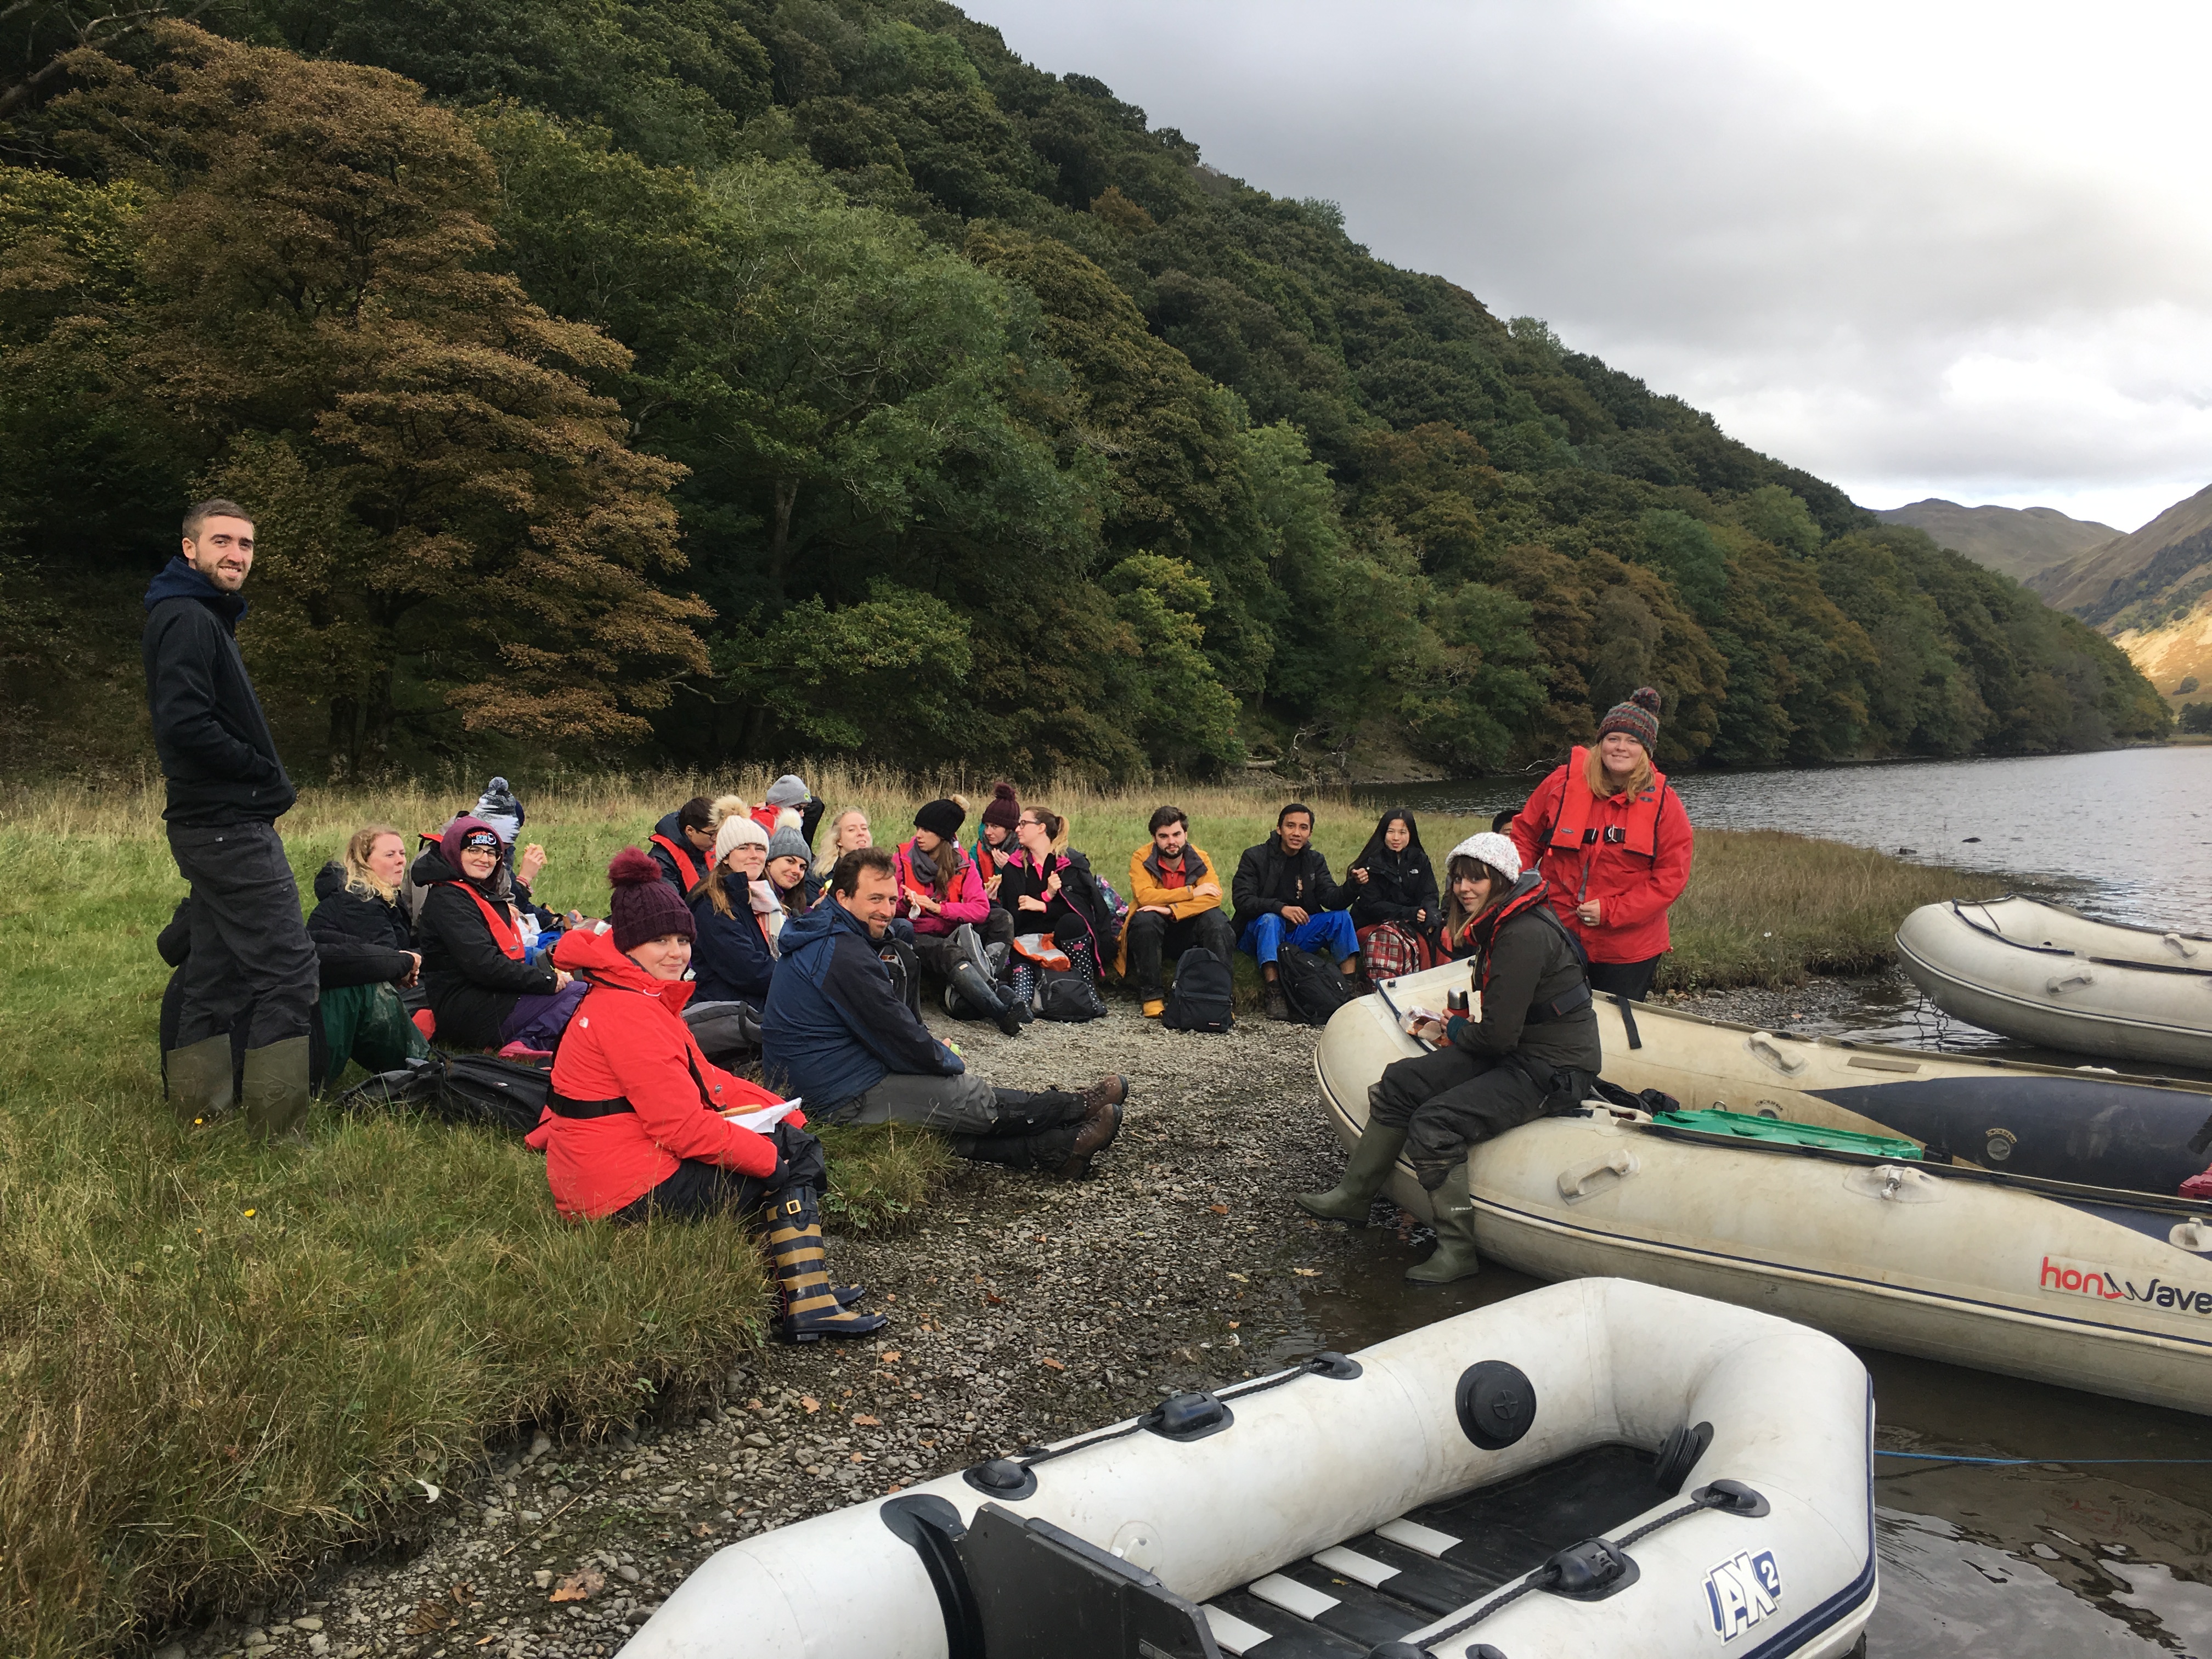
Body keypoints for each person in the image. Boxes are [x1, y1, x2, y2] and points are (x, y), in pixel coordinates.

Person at [529, 849, 883, 1342]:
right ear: (629, 946)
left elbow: (706, 1080)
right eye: (660, 941)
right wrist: (769, 1159)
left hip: (609, 1163)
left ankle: (799, 1283)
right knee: (786, 1160)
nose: (676, 952)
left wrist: (776, 1111)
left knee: (788, 1141)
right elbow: (680, 1128)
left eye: (681, 939)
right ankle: (806, 1301)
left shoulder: (635, 995)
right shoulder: (630, 1013)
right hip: (620, 1189)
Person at [1297, 832, 1599, 1284]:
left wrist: (1456, 1030)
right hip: (1520, 1049)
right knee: (1401, 1081)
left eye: (1477, 879)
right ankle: (1354, 1196)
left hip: (1554, 1067)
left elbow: (1497, 1037)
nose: (1463, 889)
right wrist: (1467, 1031)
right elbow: (1501, 1029)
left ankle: (1458, 1249)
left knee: (1435, 1122)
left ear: (1502, 880)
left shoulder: (1523, 934)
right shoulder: (1505, 923)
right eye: (1459, 878)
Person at [762, 848, 1130, 1177]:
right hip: (836, 1093)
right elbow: (897, 1036)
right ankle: (1075, 1107)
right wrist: (946, 1060)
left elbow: (885, 1026)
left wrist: (928, 1051)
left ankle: (1059, 1150)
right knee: (962, 1096)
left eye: (892, 899)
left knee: (938, 1122)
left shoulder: (827, 932)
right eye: (875, 899)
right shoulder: (842, 954)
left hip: (819, 1080)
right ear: (842, 897)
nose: (887, 911)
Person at [143, 498, 318, 1138]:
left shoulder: (198, 615)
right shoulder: (188, 616)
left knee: (216, 973)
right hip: (226, 824)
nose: (235, 556)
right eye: (221, 542)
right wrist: (261, 773)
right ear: (190, 548)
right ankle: (279, 1128)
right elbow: (185, 724)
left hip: (212, 822)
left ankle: (198, 1112)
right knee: (291, 971)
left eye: (245, 546)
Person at [1509, 687, 1694, 1002]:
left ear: (1646, 750)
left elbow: (1670, 878)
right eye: (1613, 739)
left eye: (1633, 741)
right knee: (1549, 1016)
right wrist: (1522, 891)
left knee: (1614, 1028)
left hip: (1628, 948)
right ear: (1601, 743)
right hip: (1557, 932)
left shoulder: (1665, 803)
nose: (1621, 748)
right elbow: (1523, 837)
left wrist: (1611, 911)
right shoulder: (1560, 783)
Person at [414, 816, 583, 1052]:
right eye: (474, 850)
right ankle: (526, 1042)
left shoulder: (475, 891)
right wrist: (547, 980)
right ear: (454, 851)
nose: (484, 859)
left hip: (489, 994)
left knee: (579, 990)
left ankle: (529, 1042)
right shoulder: (448, 900)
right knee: (580, 994)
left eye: (492, 853)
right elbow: (484, 965)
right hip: (469, 1008)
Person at [307, 824, 431, 1088]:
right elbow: (388, 960)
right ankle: (419, 1059)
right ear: (364, 861)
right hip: (335, 991)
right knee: (438, 985)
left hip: (365, 977)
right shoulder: (359, 900)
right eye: (390, 855)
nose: (400, 860)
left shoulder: (384, 896)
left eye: (402, 853)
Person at [892, 796, 1023, 1035]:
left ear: (942, 835)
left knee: (1002, 919)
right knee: (950, 951)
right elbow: (889, 908)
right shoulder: (902, 859)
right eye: (918, 828)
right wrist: (905, 903)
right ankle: (999, 1009)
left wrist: (939, 909)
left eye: (926, 830)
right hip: (918, 934)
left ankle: (985, 986)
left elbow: (981, 909)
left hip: (950, 927)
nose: (918, 835)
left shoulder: (962, 863)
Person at [1232, 802, 1361, 1021]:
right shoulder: (1254, 857)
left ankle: (1349, 988)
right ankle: (1275, 992)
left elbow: (1331, 899)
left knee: (1341, 917)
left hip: (1298, 933)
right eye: (1291, 826)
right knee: (1271, 920)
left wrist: (1353, 885)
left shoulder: (1315, 860)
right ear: (1279, 828)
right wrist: (1280, 908)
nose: (1296, 833)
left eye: (1303, 828)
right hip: (1257, 933)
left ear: (1310, 832)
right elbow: (1242, 900)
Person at [1118, 806, 1236, 1018]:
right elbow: (1145, 896)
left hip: (1190, 930)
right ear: (1154, 838)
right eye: (1164, 836)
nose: (1171, 841)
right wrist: (1192, 892)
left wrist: (1171, 910)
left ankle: (1221, 999)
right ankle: (1152, 997)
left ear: (1186, 834)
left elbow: (1213, 897)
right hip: (1155, 932)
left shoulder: (1201, 857)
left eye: (1176, 834)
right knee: (1145, 919)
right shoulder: (1141, 858)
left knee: (1218, 922)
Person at [995, 805, 1111, 1008]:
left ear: (1041, 828)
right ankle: (1020, 1006)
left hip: (1063, 937)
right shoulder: (1013, 867)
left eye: (1024, 824)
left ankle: (1088, 988)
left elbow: (1081, 911)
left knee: (1073, 923)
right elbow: (1016, 915)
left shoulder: (1069, 863)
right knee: (1022, 992)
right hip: (1027, 940)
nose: (1017, 829)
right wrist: (1048, 895)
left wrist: (1043, 906)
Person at [689, 812, 776, 1006]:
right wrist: (800, 975)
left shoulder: (765, 897)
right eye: (744, 848)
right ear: (726, 858)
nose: (754, 854)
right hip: (729, 1015)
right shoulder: (711, 904)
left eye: (760, 848)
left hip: (761, 1007)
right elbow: (748, 971)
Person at [1347, 808, 1442, 980]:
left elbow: (1430, 893)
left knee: (1442, 934)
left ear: (1411, 834)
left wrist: (1429, 913)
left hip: (1410, 920)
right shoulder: (1371, 862)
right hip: (1373, 921)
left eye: (1402, 832)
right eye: (1391, 832)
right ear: (1383, 833)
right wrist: (1411, 913)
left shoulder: (1420, 859)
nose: (1396, 838)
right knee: (1403, 941)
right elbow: (1373, 906)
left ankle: (1436, 981)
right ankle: (1389, 984)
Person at [647, 795, 720, 893]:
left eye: (719, 832)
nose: (716, 840)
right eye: (712, 834)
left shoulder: (705, 846)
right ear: (690, 830)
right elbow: (671, 904)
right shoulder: (661, 862)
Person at [764, 815, 822, 924]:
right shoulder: (756, 898)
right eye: (790, 861)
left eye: (802, 867)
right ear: (770, 860)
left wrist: (814, 910)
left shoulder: (794, 900)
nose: (797, 871)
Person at [751, 775, 827, 849]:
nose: (802, 814)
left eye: (804, 808)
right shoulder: (765, 820)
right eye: (798, 808)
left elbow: (816, 804)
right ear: (781, 806)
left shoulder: (777, 820)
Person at [973, 781, 1022, 896]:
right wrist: (982, 897)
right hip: (987, 907)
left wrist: (1010, 870)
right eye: (987, 825)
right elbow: (970, 887)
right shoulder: (977, 850)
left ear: (1010, 829)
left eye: (995, 827)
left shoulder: (1025, 850)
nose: (988, 832)